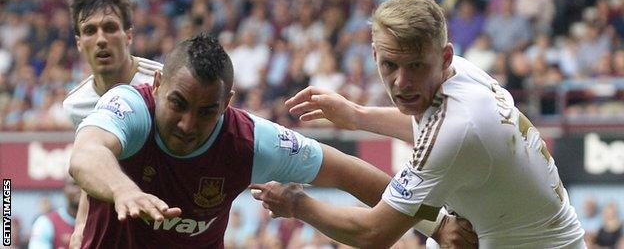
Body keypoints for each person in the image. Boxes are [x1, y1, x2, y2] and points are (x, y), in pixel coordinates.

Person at [67, 31, 475, 248]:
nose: (188, 124)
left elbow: (350, 174)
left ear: (227, 103)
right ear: (157, 84)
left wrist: (436, 226)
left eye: (207, 111)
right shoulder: (130, 105)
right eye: (178, 103)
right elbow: (86, 154)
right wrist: (124, 191)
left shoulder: (250, 141)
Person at [250, 0, 586, 248]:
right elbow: (427, 129)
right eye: (389, 66)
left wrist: (296, 203)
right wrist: (357, 115)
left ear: (444, 58)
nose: (401, 82)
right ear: (374, 56)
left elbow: (373, 233)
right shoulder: (462, 75)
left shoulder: (455, 130)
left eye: (415, 67)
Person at [62, 0, 162, 247]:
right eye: (90, 31)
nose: (101, 39)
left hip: (170, 210)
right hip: (119, 212)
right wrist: (81, 226)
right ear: (78, 42)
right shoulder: (76, 104)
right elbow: (93, 162)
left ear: (128, 35)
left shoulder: (162, 83)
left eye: (110, 28)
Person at [28, 178, 81, 249]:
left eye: (84, 185)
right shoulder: (45, 223)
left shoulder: (99, 223)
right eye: (74, 184)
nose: (80, 189)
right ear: (64, 190)